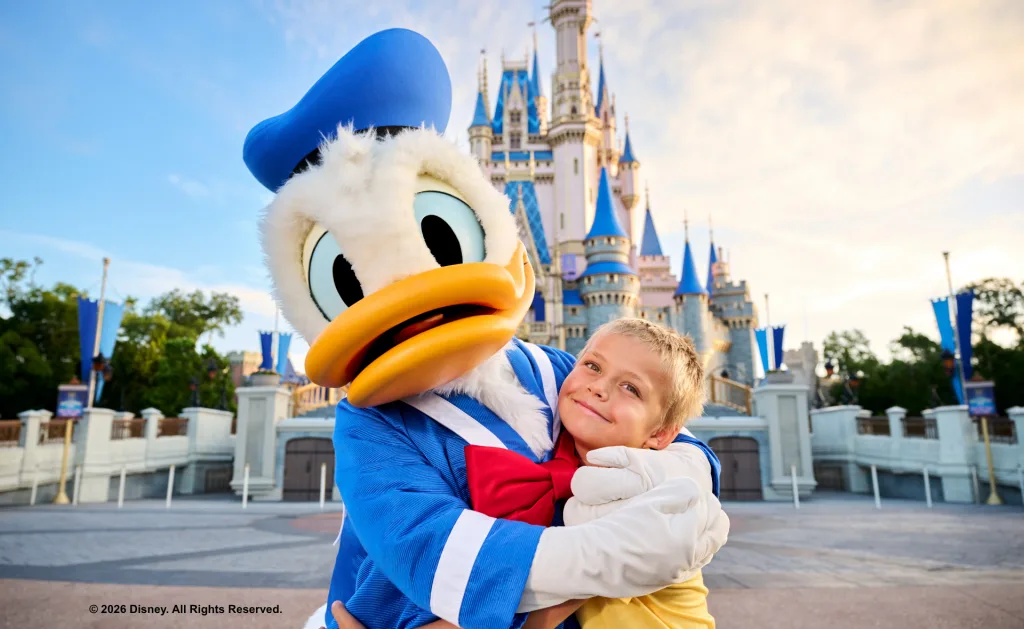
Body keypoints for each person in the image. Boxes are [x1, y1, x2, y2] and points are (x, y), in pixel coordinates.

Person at [328, 318, 717, 629]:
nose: (598, 387)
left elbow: (682, 437)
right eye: (593, 366)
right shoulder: (371, 415)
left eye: (630, 388)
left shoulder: (556, 375)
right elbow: (419, 542)